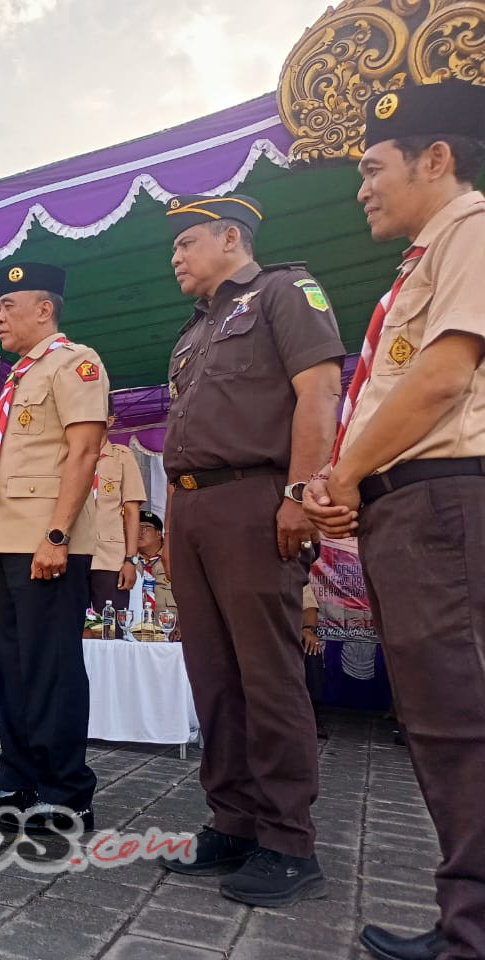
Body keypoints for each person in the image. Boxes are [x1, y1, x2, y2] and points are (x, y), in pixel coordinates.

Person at [304, 80, 485, 960]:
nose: (363, 188)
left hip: (450, 501)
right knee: (444, 724)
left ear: (436, 159)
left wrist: (344, 469)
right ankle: (467, 922)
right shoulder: (429, 256)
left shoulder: (475, 230)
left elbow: (444, 377)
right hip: (417, 508)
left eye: (374, 169)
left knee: (465, 721)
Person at [159, 193, 344, 907]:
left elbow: (320, 388)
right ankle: (232, 821)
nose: (175, 258)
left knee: (267, 675)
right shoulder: (193, 332)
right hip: (193, 505)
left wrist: (301, 491)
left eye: (185, 244)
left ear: (229, 237)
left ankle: (289, 842)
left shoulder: (283, 293)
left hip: (255, 499)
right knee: (213, 673)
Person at [0, 262, 105, 833]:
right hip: (8, 541)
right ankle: (14, 783)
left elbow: (84, 454)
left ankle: (66, 793)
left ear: (44, 309)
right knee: (11, 669)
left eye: (7, 306)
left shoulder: (76, 363)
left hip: (47, 543)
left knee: (51, 668)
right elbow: (4, 469)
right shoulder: (18, 377)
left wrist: (58, 535)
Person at [89, 396, 146, 633]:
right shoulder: (69, 458)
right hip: (73, 557)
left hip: (110, 558)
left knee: (110, 631)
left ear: (109, 420)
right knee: (72, 632)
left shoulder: (122, 458)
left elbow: (132, 512)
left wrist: (130, 560)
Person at [135, 510, 177, 635]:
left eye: (144, 527)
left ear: (159, 533)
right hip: (134, 631)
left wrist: (182, 625)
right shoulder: (127, 562)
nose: (138, 532)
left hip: (170, 630)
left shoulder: (174, 558)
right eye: (135, 527)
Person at [301, 583, 325, 738]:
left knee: (312, 646)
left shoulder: (290, 572)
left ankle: (313, 715)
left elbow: (309, 607)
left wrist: (308, 629)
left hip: (286, 633)